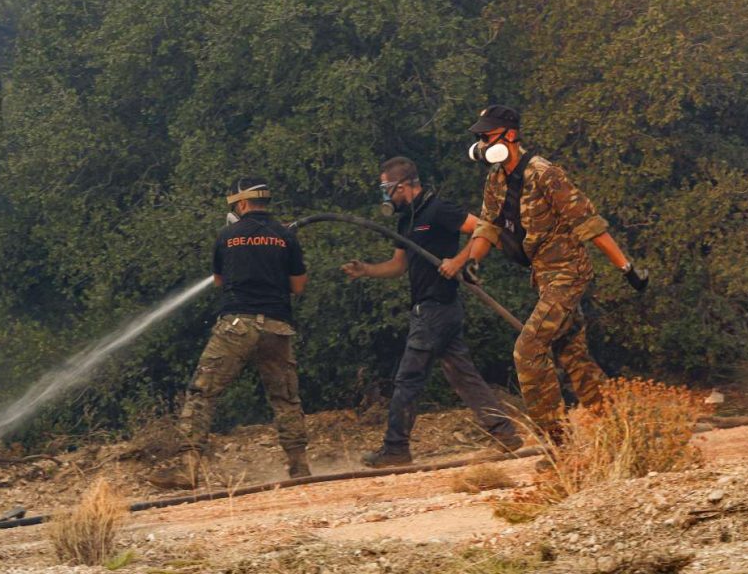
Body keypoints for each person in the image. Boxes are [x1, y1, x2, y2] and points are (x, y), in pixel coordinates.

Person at [456, 105, 648, 440]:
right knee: (574, 358)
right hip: (544, 278)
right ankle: (625, 431)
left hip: (568, 273)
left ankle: (558, 446)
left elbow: (588, 223)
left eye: (487, 137)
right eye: (480, 139)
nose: (483, 145)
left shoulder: (545, 174)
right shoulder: (496, 178)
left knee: (528, 350)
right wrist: (474, 259)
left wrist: (627, 268)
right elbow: (488, 225)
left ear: (509, 136)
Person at [341, 157, 522, 468]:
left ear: (406, 184)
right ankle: (504, 432)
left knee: (408, 378)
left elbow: (484, 228)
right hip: (431, 308)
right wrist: (366, 270)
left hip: (437, 308)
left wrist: (460, 260)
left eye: (388, 188)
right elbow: (398, 266)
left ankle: (396, 448)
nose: (386, 196)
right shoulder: (405, 221)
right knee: (463, 374)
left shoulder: (438, 209)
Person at [148, 178, 311, 490]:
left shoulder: (227, 235)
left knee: (203, 392)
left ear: (241, 204)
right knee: (286, 398)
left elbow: (220, 281)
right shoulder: (285, 236)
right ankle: (299, 466)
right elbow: (298, 286)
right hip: (277, 327)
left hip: (237, 326)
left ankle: (188, 468)